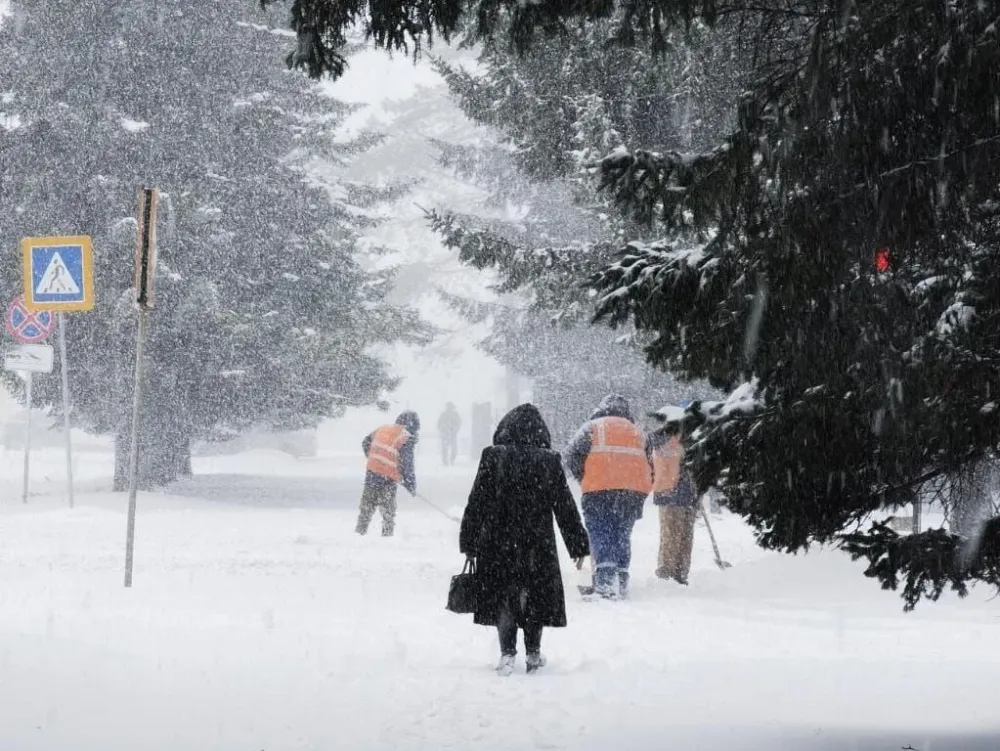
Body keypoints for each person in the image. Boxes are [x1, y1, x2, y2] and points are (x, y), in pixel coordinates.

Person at [460, 404, 590, 677]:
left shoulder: (493, 457)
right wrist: (577, 545)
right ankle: (533, 652)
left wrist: (469, 543)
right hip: (537, 541)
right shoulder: (549, 460)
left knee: (504, 594)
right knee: (535, 595)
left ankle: (507, 654)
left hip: (497, 539)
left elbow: (477, 502)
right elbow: (564, 505)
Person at [563, 394, 652, 600]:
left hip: (598, 490)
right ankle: (621, 580)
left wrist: (583, 476)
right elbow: (651, 464)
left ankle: (604, 582)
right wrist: (642, 489)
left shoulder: (592, 427)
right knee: (622, 533)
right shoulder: (638, 432)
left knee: (600, 531)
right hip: (631, 493)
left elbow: (570, 454)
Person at [649, 418, 698, 584]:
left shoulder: (688, 439)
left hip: (686, 493)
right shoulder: (662, 438)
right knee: (672, 535)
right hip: (670, 492)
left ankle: (680, 572)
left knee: (684, 536)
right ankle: (667, 571)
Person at [356, 411, 420, 537]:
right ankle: (387, 537)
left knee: (366, 507)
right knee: (388, 511)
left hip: (372, 473)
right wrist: (410, 485)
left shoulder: (383, 428)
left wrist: (374, 459)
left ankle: (359, 533)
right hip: (388, 479)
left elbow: (365, 442)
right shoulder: (405, 437)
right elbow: (407, 465)